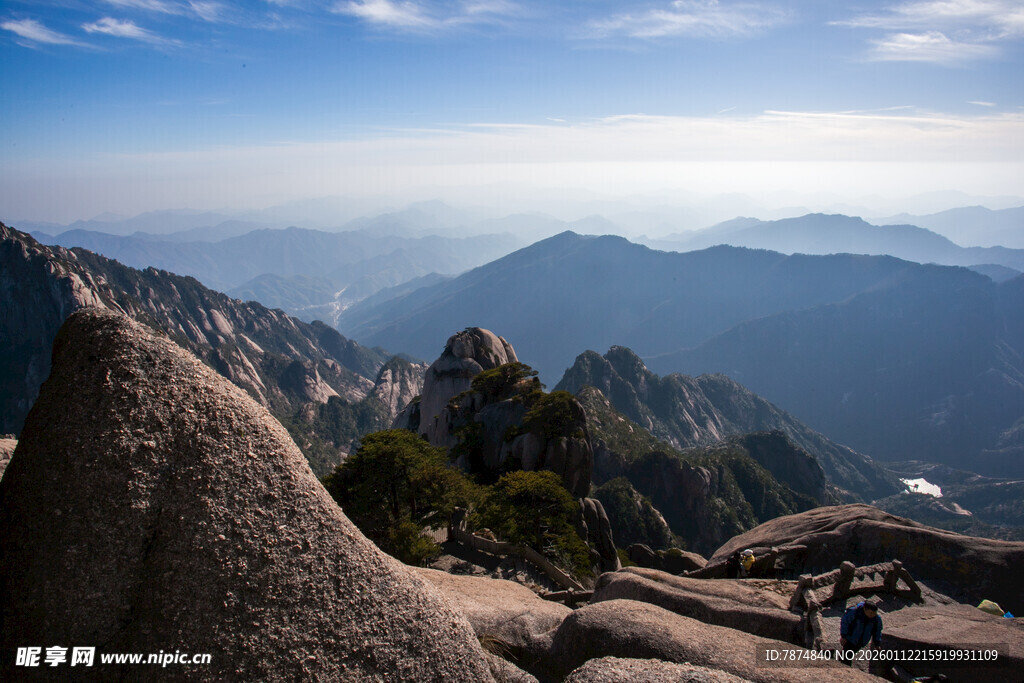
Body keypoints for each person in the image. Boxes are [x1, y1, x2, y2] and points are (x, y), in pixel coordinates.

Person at [840, 600, 882, 665]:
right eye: (870, 613)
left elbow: (877, 631)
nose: (872, 615)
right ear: (864, 609)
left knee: (849, 654)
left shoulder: (876, 619)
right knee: (847, 655)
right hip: (850, 638)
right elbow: (845, 623)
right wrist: (843, 636)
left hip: (861, 641)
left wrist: (877, 644)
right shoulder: (854, 612)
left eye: (874, 613)